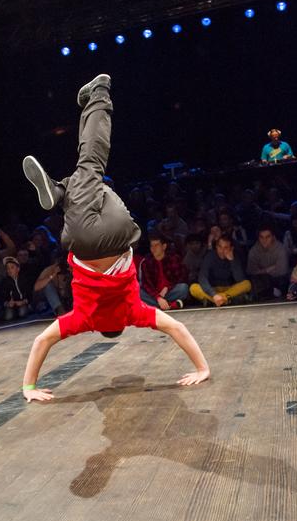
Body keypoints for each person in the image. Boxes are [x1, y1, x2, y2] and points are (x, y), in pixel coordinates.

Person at [20, 74, 210, 402]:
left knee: (93, 170)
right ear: (100, 328)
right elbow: (42, 341)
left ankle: (99, 95)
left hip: (121, 233)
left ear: (121, 324)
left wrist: (202, 368)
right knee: (89, 174)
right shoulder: (84, 319)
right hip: (80, 240)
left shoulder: (133, 311)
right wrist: (29, 388)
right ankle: (62, 190)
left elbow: (177, 328)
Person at [190, 234, 251, 306]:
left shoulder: (234, 257)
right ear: (216, 246)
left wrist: (232, 261)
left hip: (229, 289)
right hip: (212, 289)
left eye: (226, 247)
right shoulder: (210, 256)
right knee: (193, 288)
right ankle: (224, 300)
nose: (222, 250)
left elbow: (240, 279)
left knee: (247, 284)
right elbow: (202, 278)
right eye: (220, 247)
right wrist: (214, 294)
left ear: (231, 248)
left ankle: (218, 300)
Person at [138, 230, 188, 310]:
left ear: (164, 246)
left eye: (156, 245)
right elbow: (146, 285)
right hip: (154, 294)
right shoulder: (146, 263)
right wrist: (158, 297)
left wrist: (168, 287)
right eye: (151, 246)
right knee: (138, 292)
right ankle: (169, 305)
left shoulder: (173, 258)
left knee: (183, 288)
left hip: (169, 292)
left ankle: (158, 305)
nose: (153, 248)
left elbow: (181, 277)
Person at [247, 225, 289, 299]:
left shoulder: (281, 249)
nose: (264, 240)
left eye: (268, 237)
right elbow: (251, 271)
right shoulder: (253, 251)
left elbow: (282, 271)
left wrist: (260, 271)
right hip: (262, 282)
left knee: (283, 280)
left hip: (278, 281)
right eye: (261, 237)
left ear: (273, 237)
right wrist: (267, 270)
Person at [0, 256, 30, 321]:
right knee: (8, 316)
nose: (9, 270)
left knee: (22, 312)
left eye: (12, 267)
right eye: (8, 268)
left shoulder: (24, 279)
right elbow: (2, 297)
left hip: (22, 303)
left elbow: (30, 294)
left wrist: (23, 301)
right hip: (11, 305)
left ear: (18, 269)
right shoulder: (5, 282)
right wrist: (7, 303)